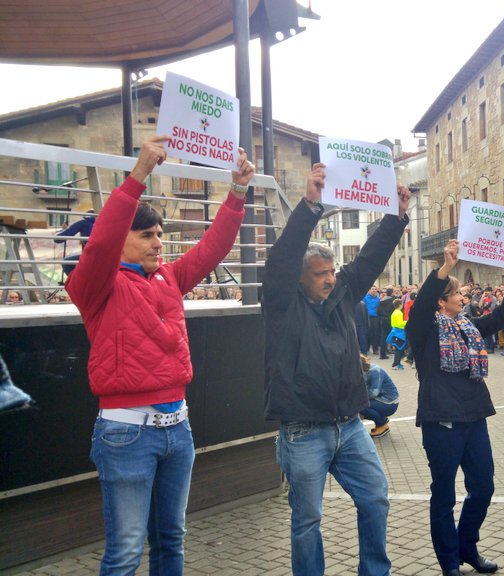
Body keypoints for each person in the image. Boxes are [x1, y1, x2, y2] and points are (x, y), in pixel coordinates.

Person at [65, 136, 253, 574]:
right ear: (122, 241)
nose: (158, 242)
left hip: (178, 431)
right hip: (126, 436)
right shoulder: (96, 284)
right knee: (126, 550)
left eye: (160, 235)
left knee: (171, 542)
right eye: (146, 234)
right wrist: (137, 176)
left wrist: (238, 193)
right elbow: (101, 243)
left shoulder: (169, 278)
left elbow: (212, 249)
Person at [262, 162, 411, 576]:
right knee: (307, 519)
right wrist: (309, 206)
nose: (329, 279)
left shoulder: (344, 293)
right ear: (300, 279)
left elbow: (369, 259)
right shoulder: (282, 303)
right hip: (304, 430)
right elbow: (282, 258)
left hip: (349, 425)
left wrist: (396, 218)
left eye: (331, 271)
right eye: (320, 274)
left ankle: (374, 571)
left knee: (376, 497)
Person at [405, 239, 504, 576]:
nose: (464, 298)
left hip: (475, 417)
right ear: (441, 301)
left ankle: (467, 546)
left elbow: (501, 317)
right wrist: (444, 269)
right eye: (457, 294)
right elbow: (420, 306)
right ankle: (449, 562)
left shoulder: (467, 326)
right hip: (442, 420)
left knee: (483, 487)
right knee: (444, 495)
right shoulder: (423, 330)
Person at [360, 355, 399, 438]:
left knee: (361, 406)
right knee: (358, 404)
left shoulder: (375, 371)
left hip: (389, 403)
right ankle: (380, 422)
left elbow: (374, 392)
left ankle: (382, 423)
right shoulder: (363, 371)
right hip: (379, 400)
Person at [388, 302, 408, 369]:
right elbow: (400, 323)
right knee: (399, 348)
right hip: (399, 332)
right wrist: (406, 322)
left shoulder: (394, 312)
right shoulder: (399, 313)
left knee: (398, 348)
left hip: (394, 331)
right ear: (400, 305)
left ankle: (398, 363)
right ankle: (395, 364)